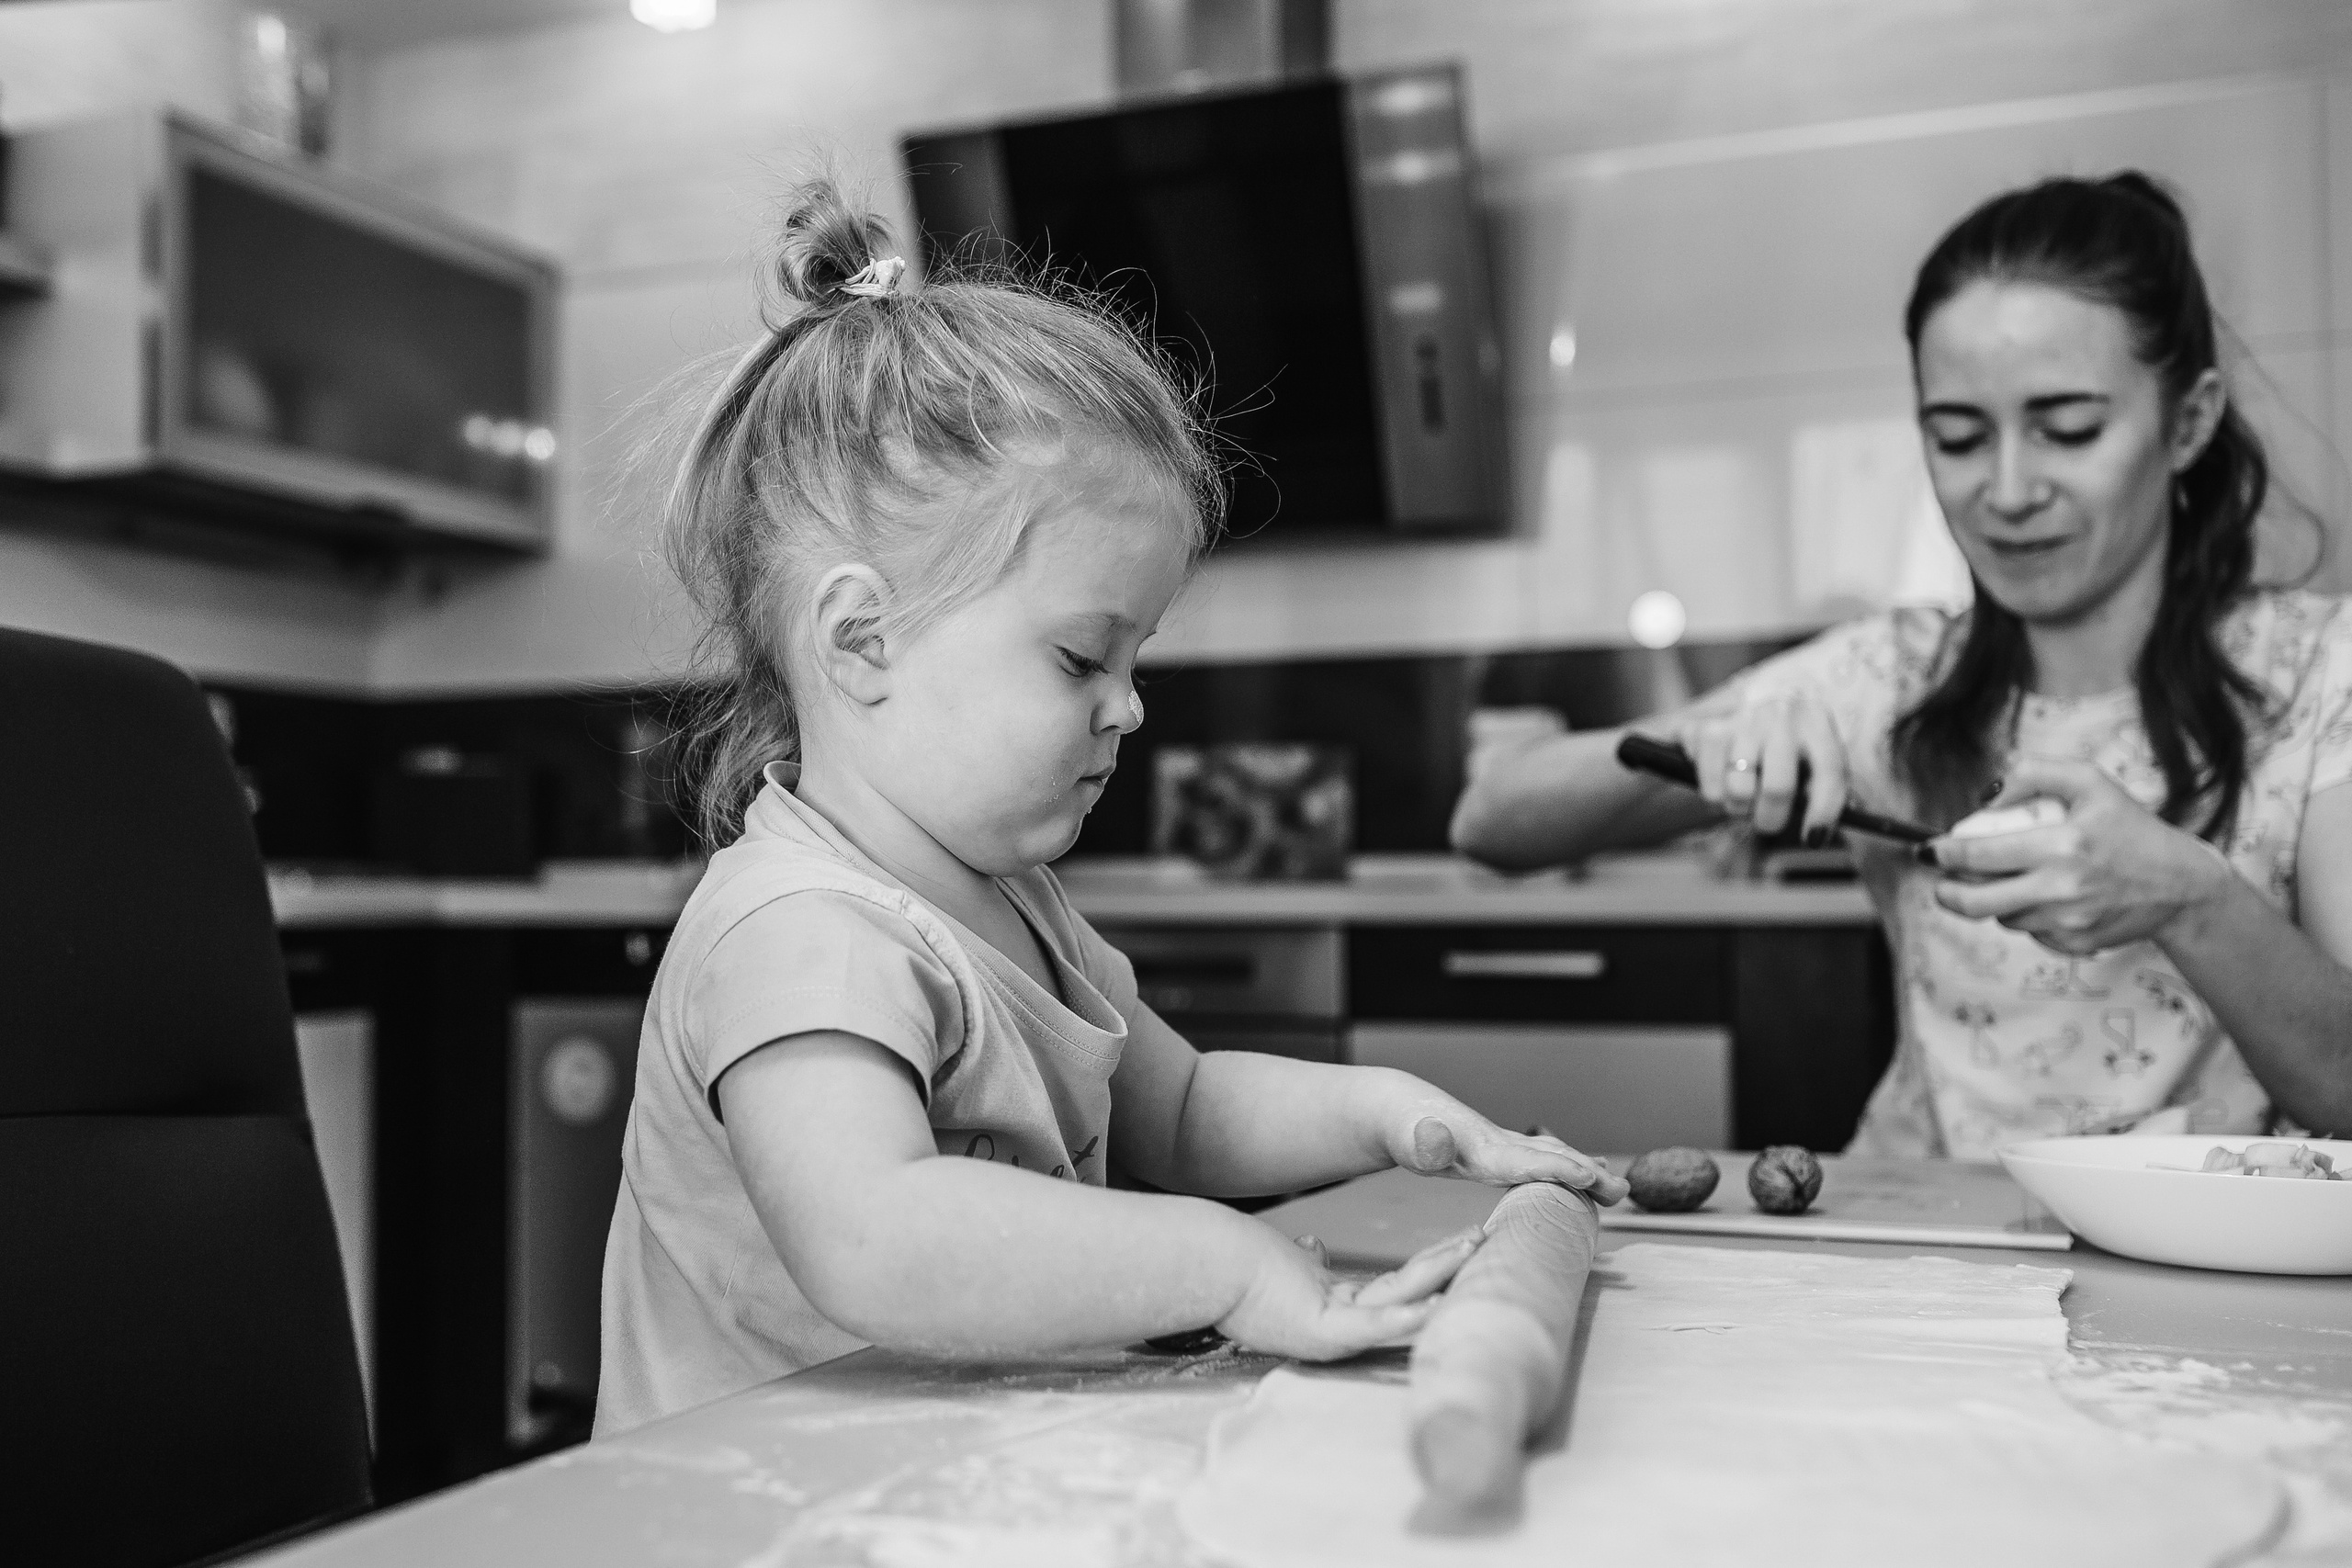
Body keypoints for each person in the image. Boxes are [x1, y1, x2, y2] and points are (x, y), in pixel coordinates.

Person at [594, 183, 1627, 1437]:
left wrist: (1402, 1116)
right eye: (1083, 660)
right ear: (862, 637)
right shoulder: (796, 929)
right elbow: (876, 1232)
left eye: (1138, 662)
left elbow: (1183, 1110)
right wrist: (1228, 1265)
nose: (1129, 707)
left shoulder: (1011, 901)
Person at [1453, 173, 2352, 1160]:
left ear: (2186, 424)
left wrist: (2193, 898)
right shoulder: (1890, 677)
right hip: (1924, 1239)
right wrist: (1707, 746)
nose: (2006, 490)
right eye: (1958, 437)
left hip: (2216, 1259)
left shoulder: (2317, 675)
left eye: (2068, 429)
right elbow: (1491, 825)